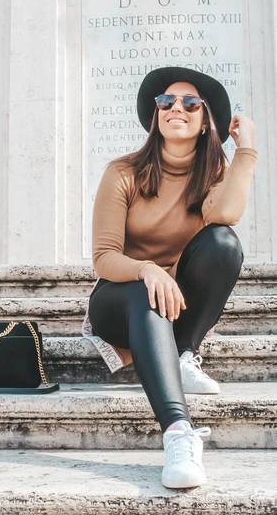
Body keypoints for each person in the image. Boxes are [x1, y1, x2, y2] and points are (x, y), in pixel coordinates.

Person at [81, 66, 258, 489]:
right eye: (166, 101)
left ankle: (182, 354)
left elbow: (225, 218)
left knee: (223, 244)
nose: (176, 107)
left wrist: (246, 151)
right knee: (145, 291)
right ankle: (179, 433)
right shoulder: (122, 172)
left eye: (190, 103)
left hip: (176, 304)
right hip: (120, 300)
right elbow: (104, 258)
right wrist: (147, 270)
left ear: (204, 122)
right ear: (156, 114)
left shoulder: (211, 174)